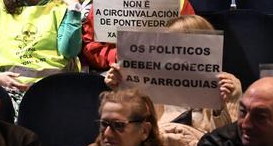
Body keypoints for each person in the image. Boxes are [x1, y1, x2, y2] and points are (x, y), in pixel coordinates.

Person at [102, 15, 242, 135]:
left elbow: (230, 139)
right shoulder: (154, 79)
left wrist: (219, 108)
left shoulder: (226, 83)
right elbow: (135, 127)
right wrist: (121, 89)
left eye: (175, 45)